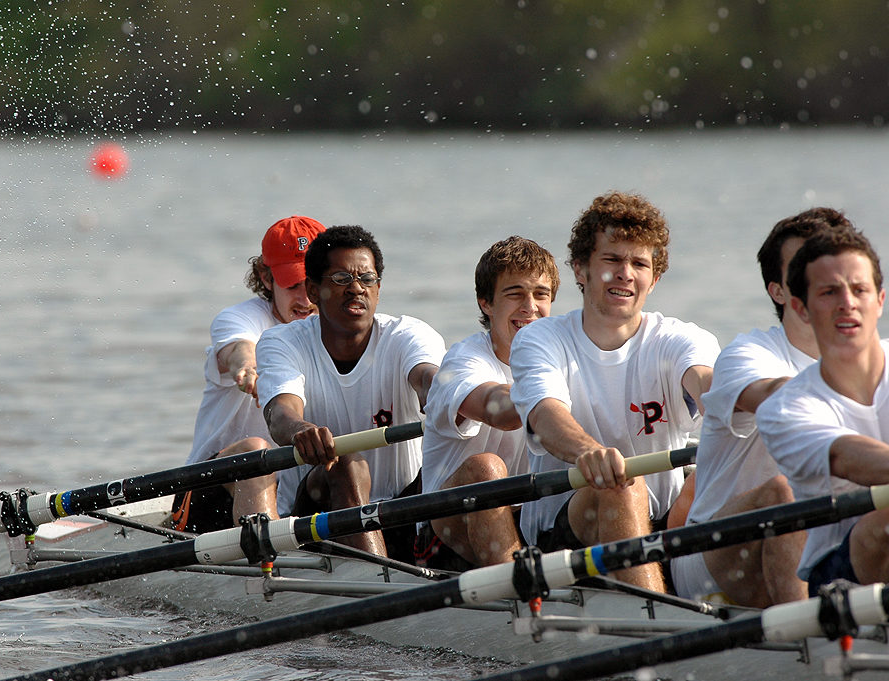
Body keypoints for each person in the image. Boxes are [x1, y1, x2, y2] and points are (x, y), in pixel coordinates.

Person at [510, 191, 719, 591]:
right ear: (580, 269)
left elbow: (707, 384)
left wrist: (745, 407)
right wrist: (589, 452)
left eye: (639, 263)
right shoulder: (541, 339)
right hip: (565, 533)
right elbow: (546, 415)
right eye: (612, 260)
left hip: (662, 522)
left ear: (653, 280)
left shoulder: (680, 338)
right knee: (624, 484)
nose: (625, 273)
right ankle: (660, 620)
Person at [671, 208, 855, 606]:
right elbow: (783, 397)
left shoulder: (878, 360)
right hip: (711, 552)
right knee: (783, 492)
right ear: (777, 290)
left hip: (824, 536)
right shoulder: (748, 354)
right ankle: (805, 644)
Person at [257, 225, 446, 559]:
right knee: (348, 464)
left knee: (468, 466)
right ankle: (381, 581)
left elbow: (427, 377)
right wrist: (300, 430)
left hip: (402, 510)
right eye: (342, 279)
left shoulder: (409, 334)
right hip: (316, 517)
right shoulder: (282, 342)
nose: (357, 288)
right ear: (313, 291)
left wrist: (446, 398)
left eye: (367, 279)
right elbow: (280, 414)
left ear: (378, 287)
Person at [172, 216, 326, 533]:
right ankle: (267, 570)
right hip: (207, 492)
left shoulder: (340, 334)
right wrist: (249, 371)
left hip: (289, 498)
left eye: (312, 284)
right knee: (256, 449)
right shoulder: (240, 319)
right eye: (292, 284)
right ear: (266, 278)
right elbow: (240, 350)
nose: (306, 299)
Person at [757, 228, 889, 595]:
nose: (847, 302)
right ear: (800, 308)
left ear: (879, 300)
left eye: (859, 290)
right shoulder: (785, 409)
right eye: (829, 292)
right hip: (839, 571)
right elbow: (849, 458)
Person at [416, 236, 559, 569]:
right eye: (515, 294)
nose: (530, 307)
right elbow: (502, 411)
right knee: (487, 468)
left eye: (541, 294)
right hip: (450, 527)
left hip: (528, 518)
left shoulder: (565, 358)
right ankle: (516, 596)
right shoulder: (463, 362)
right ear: (486, 303)